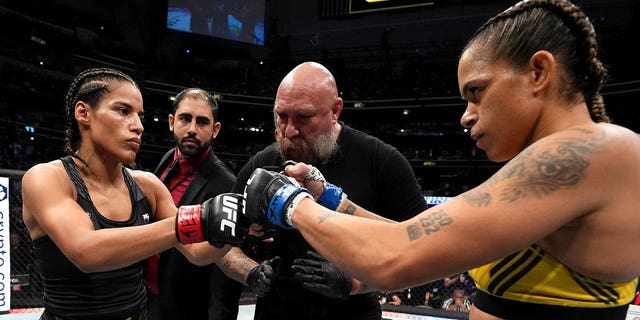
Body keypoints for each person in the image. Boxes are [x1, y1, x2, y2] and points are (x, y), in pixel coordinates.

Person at [241, 1, 640, 319]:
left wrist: (288, 201)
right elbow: (418, 237)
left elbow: (396, 257)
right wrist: (332, 199)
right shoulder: (568, 161)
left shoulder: (587, 153)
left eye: (477, 92)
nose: (466, 115)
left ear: (538, 72)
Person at [21, 67, 246, 320]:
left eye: (140, 116)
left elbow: (197, 252)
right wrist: (195, 220)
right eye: (123, 111)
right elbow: (86, 252)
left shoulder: (147, 185)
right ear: (83, 113)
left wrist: (238, 225)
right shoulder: (47, 178)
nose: (138, 126)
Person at [219, 61, 428, 320]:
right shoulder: (262, 163)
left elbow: (422, 254)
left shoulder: (381, 161)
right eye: (281, 116)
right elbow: (224, 246)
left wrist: (355, 284)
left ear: (335, 110)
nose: (289, 130)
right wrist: (250, 270)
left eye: (303, 117)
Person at [145, 88, 261, 320]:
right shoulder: (169, 158)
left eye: (202, 122)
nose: (192, 129)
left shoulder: (225, 183)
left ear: (215, 130)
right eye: (185, 119)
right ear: (171, 122)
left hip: (185, 309)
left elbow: (223, 277)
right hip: (149, 299)